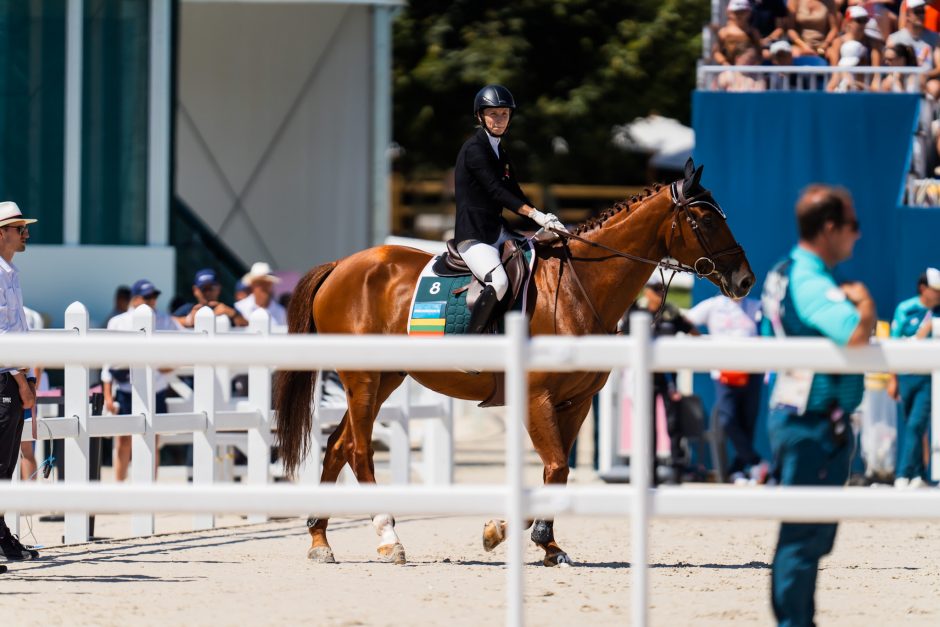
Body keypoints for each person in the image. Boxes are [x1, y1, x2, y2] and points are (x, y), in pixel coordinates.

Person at [760, 184, 876, 627]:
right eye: (853, 226)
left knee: (804, 536)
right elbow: (853, 335)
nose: (858, 235)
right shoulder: (810, 280)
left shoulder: (783, 271)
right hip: (812, 419)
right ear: (830, 228)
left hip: (796, 411)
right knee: (804, 538)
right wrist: (865, 304)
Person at [454, 84, 568, 333]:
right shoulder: (474, 149)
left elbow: (515, 192)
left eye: (504, 113)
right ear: (480, 116)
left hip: (497, 231)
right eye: (493, 113)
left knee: (539, 258)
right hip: (474, 236)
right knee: (499, 281)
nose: (499, 119)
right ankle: (471, 343)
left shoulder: (499, 151)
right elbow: (496, 191)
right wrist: (534, 215)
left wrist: (545, 218)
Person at [619, 274, 700, 484]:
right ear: (646, 291)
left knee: (674, 425)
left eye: (662, 289)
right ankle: (651, 474)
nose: (659, 294)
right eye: (655, 289)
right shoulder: (637, 311)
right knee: (647, 425)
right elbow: (624, 337)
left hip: (668, 376)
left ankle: (676, 473)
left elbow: (692, 331)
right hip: (644, 378)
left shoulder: (671, 311)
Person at [102, 279, 181, 481]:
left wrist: (165, 366)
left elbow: (181, 350)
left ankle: (149, 489)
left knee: (152, 441)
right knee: (123, 441)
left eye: (154, 296)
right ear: (136, 299)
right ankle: (119, 489)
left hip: (157, 389)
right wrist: (107, 395)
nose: (152, 301)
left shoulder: (166, 320)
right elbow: (108, 361)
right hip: (127, 388)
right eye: (148, 297)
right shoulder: (118, 322)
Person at [686, 294, 769, 483]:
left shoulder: (756, 305)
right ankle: (756, 462)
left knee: (748, 421)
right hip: (725, 371)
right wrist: (702, 341)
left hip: (752, 370)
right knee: (727, 418)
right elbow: (686, 319)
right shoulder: (713, 305)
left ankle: (738, 469)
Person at [0, 201, 40, 561]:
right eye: (19, 227)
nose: (25, 233)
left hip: (9, 377)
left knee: (7, 461)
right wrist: (22, 379)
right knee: (0, 463)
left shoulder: (8, 271)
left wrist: (25, 376)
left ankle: (1, 537)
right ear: (1, 233)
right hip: (2, 378)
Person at [888, 267, 940, 488]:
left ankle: (902, 474)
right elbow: (893, 342)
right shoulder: (905, 309)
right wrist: (893, 379)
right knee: (911, 424)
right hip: (906, 375)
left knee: (916, 425)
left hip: (928, 378)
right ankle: (919, 475)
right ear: (923, 288)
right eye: (935, 290)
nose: (938, 294)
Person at [173, 268, 247, 328]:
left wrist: (233, 314)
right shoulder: (188, 309)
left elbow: (248, 326)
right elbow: (169, 321)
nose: (208, 293)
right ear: (195, 290)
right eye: (203, 289)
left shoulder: (229, 308)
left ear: (218, 288)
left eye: (211, 288)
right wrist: (188, 320)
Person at [234, 262, 287, 327]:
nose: (263, 287)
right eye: (259, 283)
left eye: (267, 283)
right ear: (252, 285)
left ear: (271, 285)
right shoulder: (239, 308)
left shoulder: (281, 313)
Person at [714, 0, 764, 65]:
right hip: (729, 72)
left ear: (748, 12)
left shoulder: (753, 32)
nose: (739, 15)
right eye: (736, 12)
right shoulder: (723, 32)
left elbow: (759, 52)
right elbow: (717, 52)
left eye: (742, 12)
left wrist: (754, 66)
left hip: (750, 71)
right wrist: (725, 64)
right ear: (729, 12)